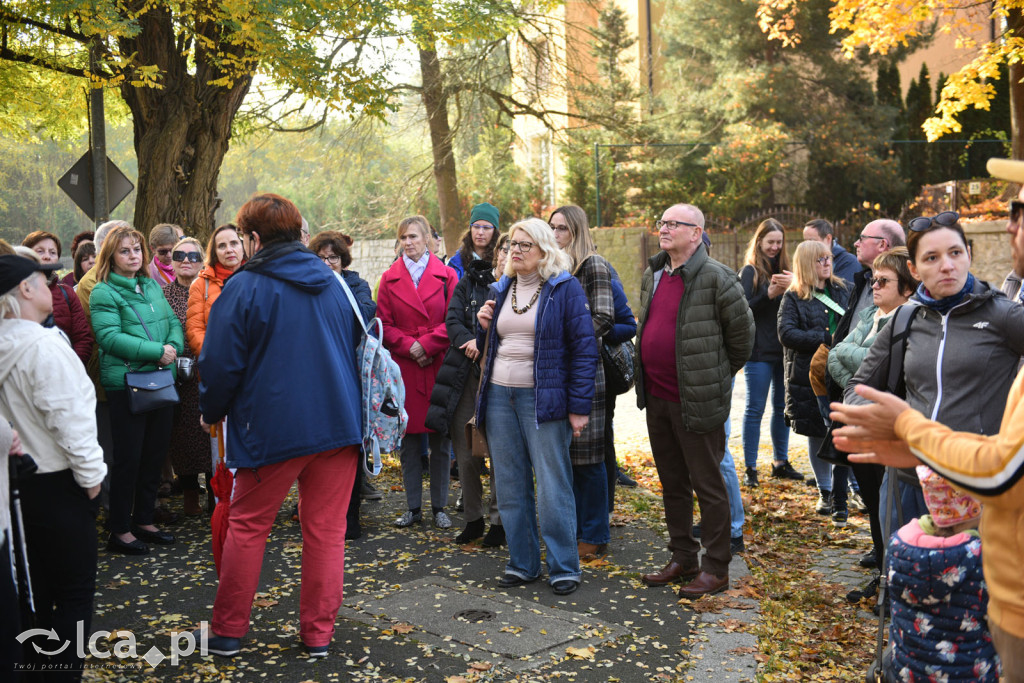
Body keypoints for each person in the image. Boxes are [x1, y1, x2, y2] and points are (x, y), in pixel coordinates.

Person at [196, 193, 362, 659]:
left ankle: (228, 632)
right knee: (326, 532)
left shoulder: (243, 288)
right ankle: (318, 636)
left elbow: (220, 364)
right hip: (338, 422)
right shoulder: (333, 283)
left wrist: (212, 411)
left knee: (248, 526)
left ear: (252, 239)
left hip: (272, 427)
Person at [636, 203, 753, 598]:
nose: (664, 228)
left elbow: (742, 342)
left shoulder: (719, 278)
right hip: (657, 398)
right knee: (672, 483)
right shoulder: (653, 274)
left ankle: (716, 567)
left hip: (697, 401)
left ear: (696, 232)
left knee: (709, 484)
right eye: (662, 221)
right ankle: (683, 556)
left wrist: (711, 377)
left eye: (674, 223)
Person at [475, 217, 598, 596]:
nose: (515, 250)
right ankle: (523, 563)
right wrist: (483, 325)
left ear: (545, 250)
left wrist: (579, 407)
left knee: (552, 485)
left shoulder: (565, 288)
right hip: (499, 395)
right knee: (510, 485)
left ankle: (564, 566)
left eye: (525, 245)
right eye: (512, 243)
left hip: (542, 399)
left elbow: (583, 350)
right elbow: (494, 345)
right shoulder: (502, 287)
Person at [0, 254, 107, 680]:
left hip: (17, 485)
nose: (51, 285)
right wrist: (93, 481)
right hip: (59, 482)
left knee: (35, 594)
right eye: (42, 279)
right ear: (24, 290)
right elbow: (71, 421)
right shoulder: (43, 346)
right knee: (75, 595)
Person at [90, 224, 184, 554]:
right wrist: (157, 352)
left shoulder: (150, 284)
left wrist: (172, 345)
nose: (133, 255)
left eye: (137, 249)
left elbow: (173, 322)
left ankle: (144, 520)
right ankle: (119, 529)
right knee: (128, 459)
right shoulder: (104, 292)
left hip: (160, 380)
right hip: (127, 384)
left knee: (154, 455)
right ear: (111, 257)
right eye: (125, 250)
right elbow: (110, 338)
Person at [825, 218, 907, 567]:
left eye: (883, 281)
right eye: (874, 279)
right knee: (872, 497)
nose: (875, 285)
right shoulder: (872, 313)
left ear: (906, 288)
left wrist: (853, 368)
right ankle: (879, 552)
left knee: (887, 497)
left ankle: (890, 562)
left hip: (879, 421)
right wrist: (854, 379)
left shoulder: (902, 321)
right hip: (853, 410)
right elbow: (835, 355)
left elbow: (878, 364)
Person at [377, 215, 459, 529]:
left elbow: (454, 319)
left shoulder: (447, 276)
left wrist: (426, 345)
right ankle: (413, 507)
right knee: (409, 442)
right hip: (406, 367)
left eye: (413, 236)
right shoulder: (389, 279)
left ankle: (439, 506)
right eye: (403, 238)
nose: (408, 243)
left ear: (427, 238)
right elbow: (383, 324)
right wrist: (409, 346)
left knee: (440, 438)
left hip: (437, 364)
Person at [882, 466, 1000, 681]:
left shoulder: (899, 544)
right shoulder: (982, 558)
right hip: (970, 674)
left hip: (910, 672)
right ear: (974, 506)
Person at [425, 227, 503, 545]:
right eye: (504, 251)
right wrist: (469, 340)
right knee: (467, 451)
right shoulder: (469, 281)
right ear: (497, 255)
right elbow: (452, 319)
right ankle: (473, 518)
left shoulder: (522, 290)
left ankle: (500, 522)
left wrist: (485, 346)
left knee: (500, 452)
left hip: (500, 378)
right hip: (464, 376)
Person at [548, 205, 615, 560]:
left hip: (587, 373)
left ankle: (595, 533)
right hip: (555, 375)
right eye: (552, 228)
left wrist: (564, 336)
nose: (556, 234)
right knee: (565, 459)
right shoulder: (553, 269)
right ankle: (574, 529)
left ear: (576, 231)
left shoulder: (593, 265)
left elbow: (604, 317)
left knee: (589, 459)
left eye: (562, 229)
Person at [308, 229, 378, 534]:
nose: (327, 264)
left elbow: (363, 317)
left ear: (343, 259)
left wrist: (334, 290)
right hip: (315, 376)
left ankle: (350, 518)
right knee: (318, 448)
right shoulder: (306, 287)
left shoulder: (356, 285)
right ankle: (318, 516)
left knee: (351, 446)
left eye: (333, 257)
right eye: (321, 258)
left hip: (351, 377)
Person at [778, 240, 849, 516]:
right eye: (820, 259)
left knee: (844, 431)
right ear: (807, 263)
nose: (827, 263)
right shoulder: (793, 297)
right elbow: (786, 334)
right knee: (818, 434)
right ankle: (825, 492)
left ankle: (847, 490)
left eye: (828, 257)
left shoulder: (844, 289)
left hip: (842, 373)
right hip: (809, 376)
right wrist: (824, 338)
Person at [738, 218, 797, 486]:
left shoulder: (787, 270)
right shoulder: (749, 272)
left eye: (778, 242)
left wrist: (796, 285)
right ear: (759, 241)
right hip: (759, 352)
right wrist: (769, 294)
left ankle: (780, 462)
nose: (774, 247)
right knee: (754, 409)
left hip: (784, 350)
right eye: (770, 242)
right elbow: (742, 311)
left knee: (783, 409)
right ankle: (750, 467)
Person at [162, 237, 212, 516]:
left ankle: (217, 498)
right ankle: (191, 500)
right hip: (178, 378)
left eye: (193, 256)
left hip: (209, 375)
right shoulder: (163, 295)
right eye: (179, 255)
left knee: (213, 439)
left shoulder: (211, 290)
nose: (186, 261)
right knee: (183, 439)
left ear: (202, 261)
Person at [22, 230, 94, 364]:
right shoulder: (14, 293)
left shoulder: (67, 293)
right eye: (40, 251)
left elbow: (83, 338)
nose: (47, 256)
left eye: (52, 252)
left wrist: (69, 367)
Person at [186, 223, 245, 357]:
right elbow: (195, 330)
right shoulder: (201, 285)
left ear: (243, 246)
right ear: (214, 252)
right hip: (216, 364)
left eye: (234, 243)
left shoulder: (257, 279)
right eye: (222, 246)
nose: (229, 250)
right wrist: (214, 357)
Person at [446, 202, 500, 279]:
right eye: (476, 227)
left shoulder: (502, 262)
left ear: (494, 231)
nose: (480, 232)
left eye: (486, 228)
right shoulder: (455, 263)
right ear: (470, 229)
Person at [803, 218, 860, 286]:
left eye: (812, 241)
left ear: (828, 239)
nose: (807, 246)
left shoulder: (848, 262)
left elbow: (842, 293)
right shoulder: (806, 259)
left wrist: (802, 284)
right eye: (805, 241)